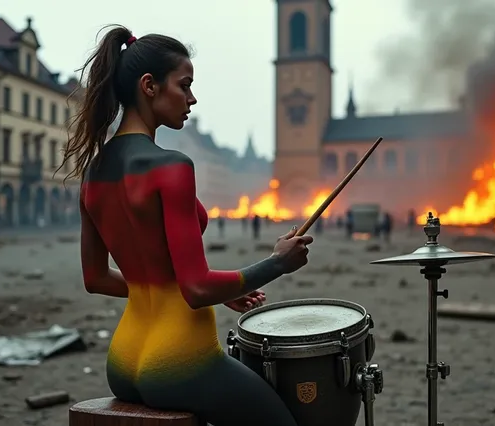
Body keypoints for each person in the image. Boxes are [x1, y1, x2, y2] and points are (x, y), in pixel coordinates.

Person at [59, 27, 311, 426]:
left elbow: (95, 279)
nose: (192, 99)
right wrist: (277, 262)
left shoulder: (93, 172)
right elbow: (196, 289)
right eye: (185, 85)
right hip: (179, 359)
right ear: (149, 86)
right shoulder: (170, 166)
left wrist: (175, 291)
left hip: (123, 360)